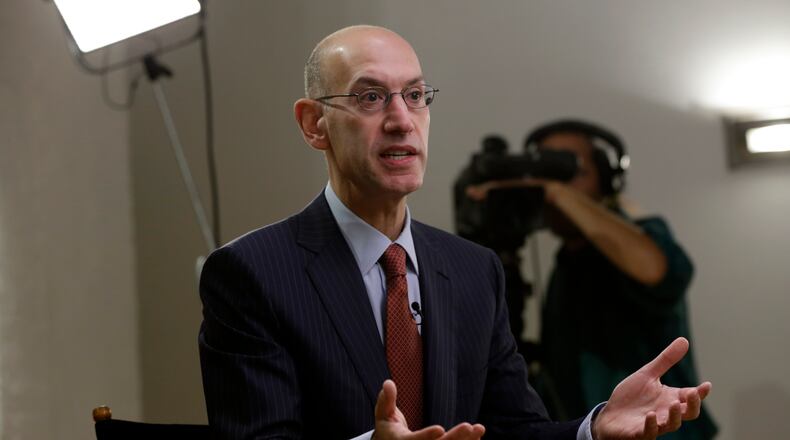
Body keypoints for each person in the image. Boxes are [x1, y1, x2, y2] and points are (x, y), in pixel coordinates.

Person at [198, 26, 711, 440]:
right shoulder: (252, 273)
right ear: (314, 124)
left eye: (416, 95)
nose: (401, 120)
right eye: (371, 96)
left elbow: (513, 428)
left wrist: (593, 428)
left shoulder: (474, 269)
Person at [524, 120, 717, 439]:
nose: (554, 186)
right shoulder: (566, 264)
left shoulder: (646, 234)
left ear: (606, 178)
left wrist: (559, 192)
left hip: (663, 429)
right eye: (546, 173)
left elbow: (661, 272)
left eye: (573, 170)